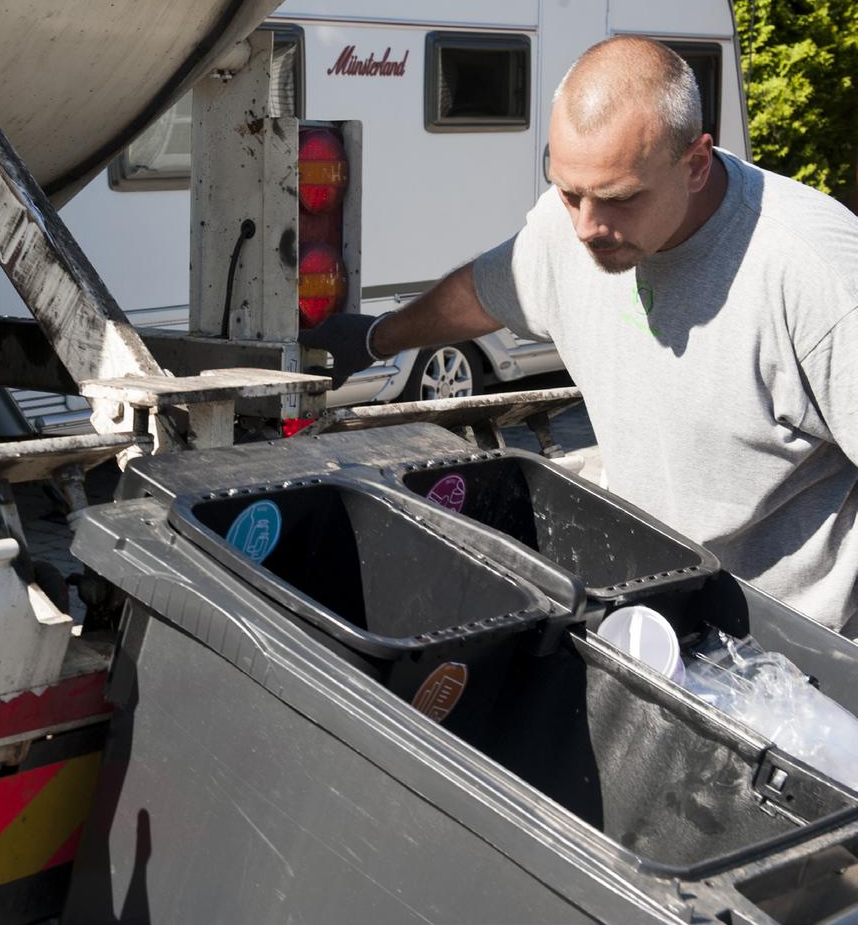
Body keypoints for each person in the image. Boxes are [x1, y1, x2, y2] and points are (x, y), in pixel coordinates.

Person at [302, 36, 858, 637]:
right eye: (568, 192)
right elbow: (487, 291)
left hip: (795, 659)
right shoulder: (564, 230)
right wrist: (378, 339)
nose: (587, 227)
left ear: (696, 164)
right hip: (656, 616)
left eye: (619, 199)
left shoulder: (816, 275)